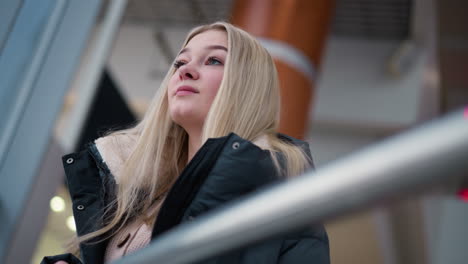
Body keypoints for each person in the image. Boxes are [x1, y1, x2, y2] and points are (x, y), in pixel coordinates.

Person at [42, 21, 330, 264]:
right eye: (180, 61)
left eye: (214, 60)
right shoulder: (140, 189)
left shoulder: (280, 189)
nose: (185, 70)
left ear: (246, 85)